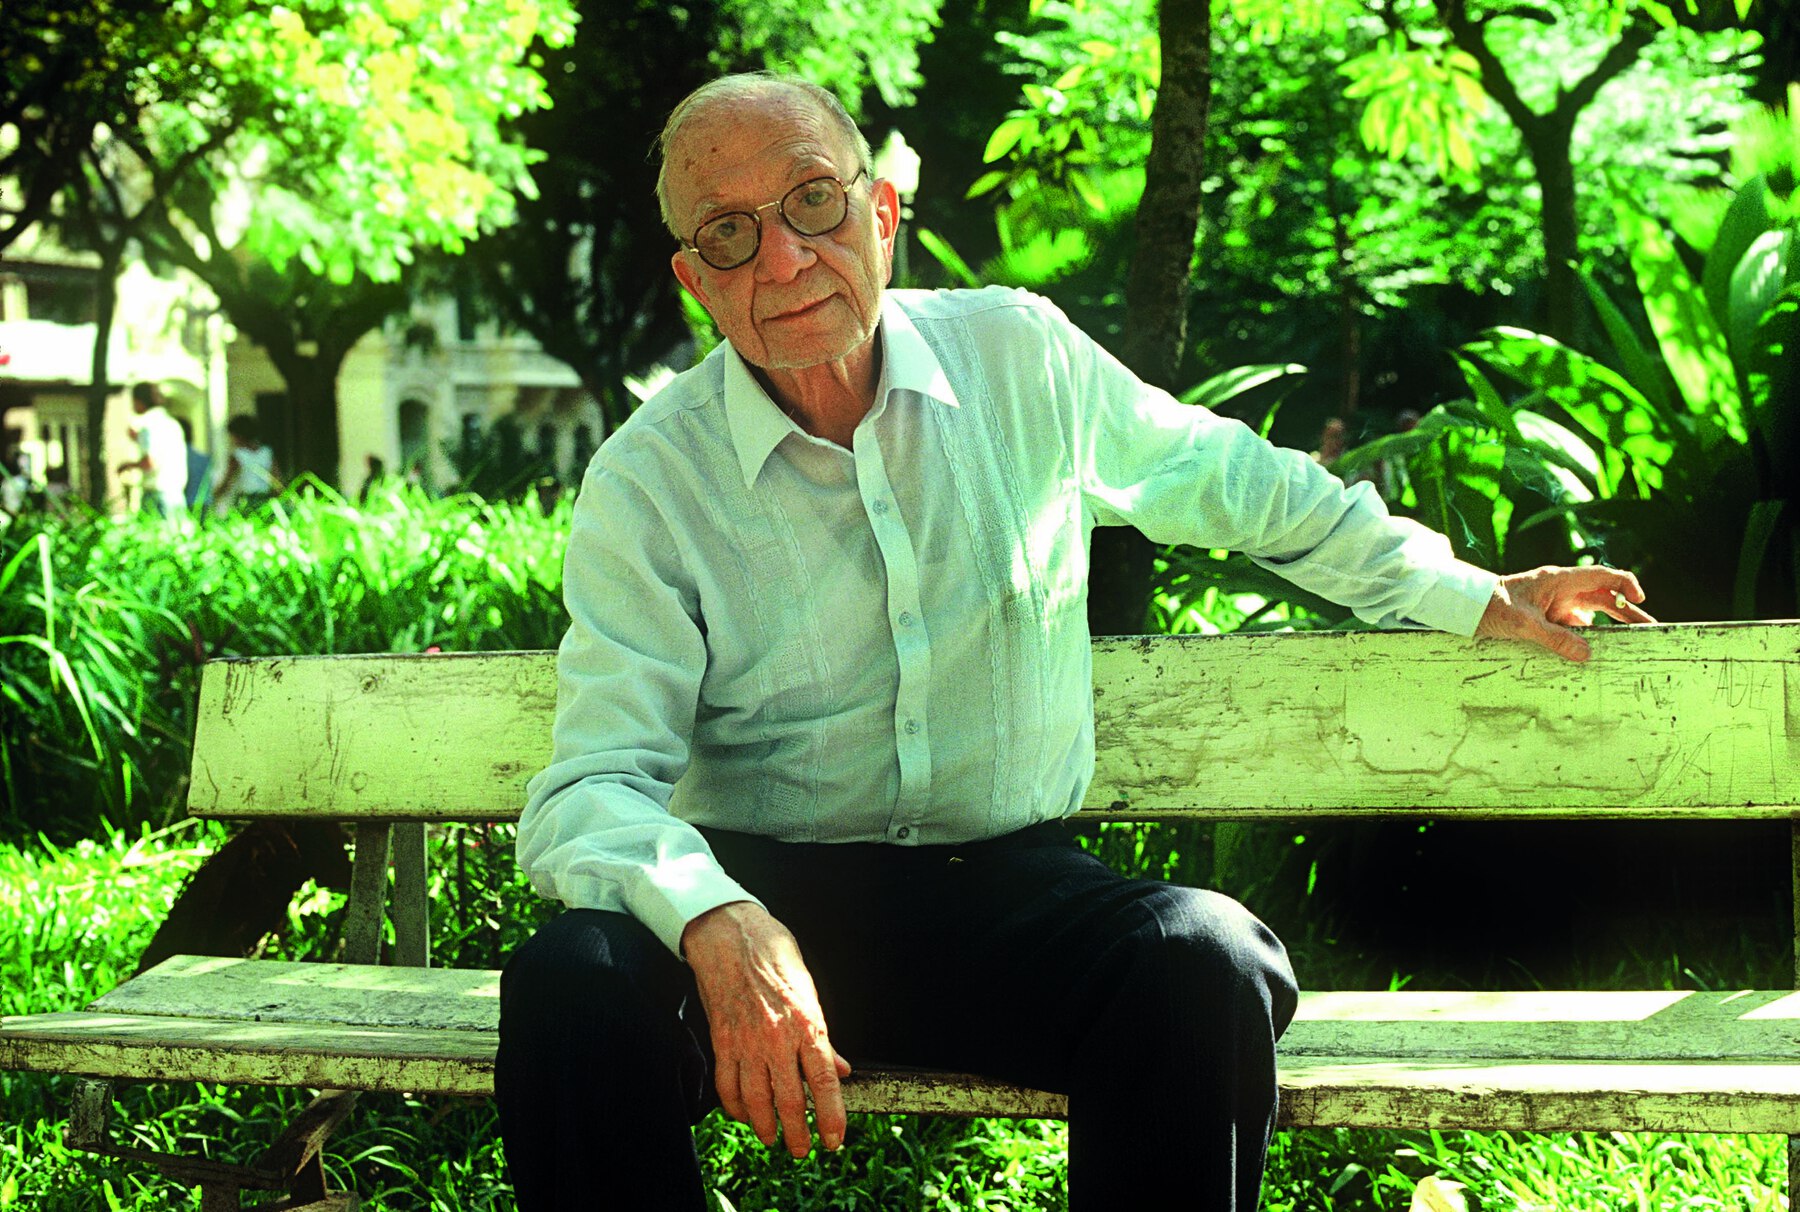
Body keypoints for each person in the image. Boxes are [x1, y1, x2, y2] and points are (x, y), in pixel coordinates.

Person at [496, 72, 1655, 1212]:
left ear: (882, 212)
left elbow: (1239, 485)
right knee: (572, 987)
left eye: (811, 203)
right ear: (697, 281)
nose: (786, 259)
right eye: (731, 236)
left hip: (1008, 896)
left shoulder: (1021, 358)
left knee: (1203, 960)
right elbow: (592, 783)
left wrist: (1465, 590)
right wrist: (717, 918)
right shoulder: (649, 481)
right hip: (765, 898)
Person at [116, 383, 188, 518]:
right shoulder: (172, 424)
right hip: (175, 493)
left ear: (138, 402)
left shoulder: (147, 425)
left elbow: (150, 462)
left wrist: (127, 466)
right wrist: (138, 440)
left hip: (156, 496)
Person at [212, 414, 282, 514]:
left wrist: (214, 496)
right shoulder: (266, 452)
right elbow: (276, 480)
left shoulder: (238, 455)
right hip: (265, 499)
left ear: (238, 435)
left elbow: (227, 482)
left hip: (245, 500)